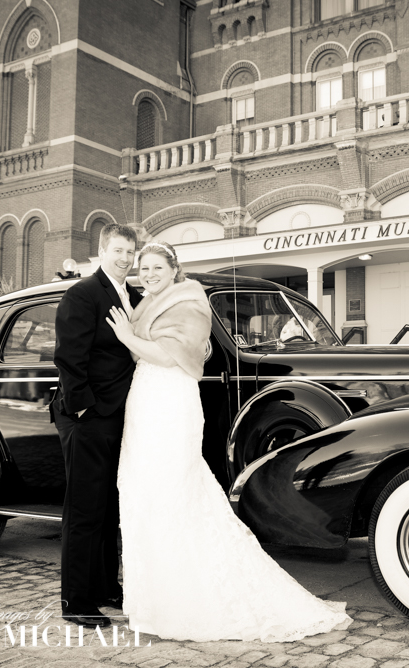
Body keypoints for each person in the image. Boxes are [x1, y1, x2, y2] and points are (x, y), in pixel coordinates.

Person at [106, 241, 352, 642]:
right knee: (143, 493)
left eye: (157, 268)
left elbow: (167, 356)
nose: (149, 274)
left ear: (174, 270)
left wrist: (124, 335)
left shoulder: (188, 301)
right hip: (146, 401)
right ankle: (155, 601)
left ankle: (183, 600)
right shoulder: (148, 302)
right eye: (143, 268)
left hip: (169, 402)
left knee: (171, 493)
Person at [52, 223, 141, 628]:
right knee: (85, 510)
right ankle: (77, 600)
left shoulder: (134, 297)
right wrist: (84, 410)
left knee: (108, 508)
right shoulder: (83, 294)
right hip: (87, 416)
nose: (125, 259)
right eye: (118, 250)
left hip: (120, 415)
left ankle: (105, 586)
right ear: (102, 251)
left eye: (130, 252)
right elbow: (69, 357)